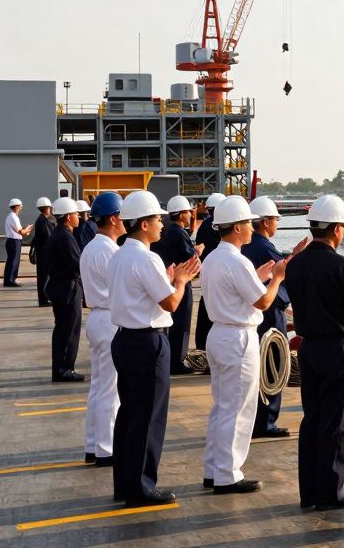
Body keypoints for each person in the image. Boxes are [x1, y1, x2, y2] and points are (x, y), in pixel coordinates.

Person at [109, 190, 200, 507]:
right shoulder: (146, 257)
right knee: (148, 417)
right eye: (158, 219)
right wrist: (181, 281)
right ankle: (142, 488)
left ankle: (125, 483)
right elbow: (171, 303)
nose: (162, 224)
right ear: (144, 224)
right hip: (147, 341)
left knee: (129, 414)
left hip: (124, 339)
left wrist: (168, 278)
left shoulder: (120, 254)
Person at [288, 194, 344, 511]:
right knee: (337, 423)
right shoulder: (342, 266)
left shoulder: (295, 264)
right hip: (338, 349)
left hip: (309, 348)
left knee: (313, 419)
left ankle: (309, 492)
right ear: (337, 229)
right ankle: (330, 492)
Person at [200, 196, 291, 494]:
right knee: (238, 408)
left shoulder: (214, 256)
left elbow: (237, 287)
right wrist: (276, 278)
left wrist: (259, 275)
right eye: (248, 224)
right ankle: (229, 474)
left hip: (219, 334)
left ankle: (214, 468)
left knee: (222, 406)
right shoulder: (236, 261)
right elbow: (264, 301)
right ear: (237, 227)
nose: (252, 229)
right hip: (237, 338)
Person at [242, 196, 309, 438]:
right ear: (266, 222)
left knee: (261, 369)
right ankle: (266, 422)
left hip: (257, 314)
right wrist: (298, 257)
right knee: (273, 365)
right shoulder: (262, 246)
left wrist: (294, 255)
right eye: (275, 219)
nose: (277, 224)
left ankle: (258, 421)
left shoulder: (248, 246)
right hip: (270, 314)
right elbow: (281, 272)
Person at [80, 192, 124, 465]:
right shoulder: (110, 251)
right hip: (109, 319)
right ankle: (106, 449)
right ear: (113, 218)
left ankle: (93, 444)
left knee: (98, 387)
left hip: (97, 317)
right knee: (110, 389)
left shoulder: (91, 247)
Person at [153, 196, 199, 374]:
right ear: (181, 214)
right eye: (188, 211)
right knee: (182, 323)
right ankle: (177, 361)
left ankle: (174, 358)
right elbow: (191, 260)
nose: (190, 214)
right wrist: (197, 253)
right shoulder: (179, 232)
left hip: (170, 279)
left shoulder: (171, 230)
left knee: (175, 323)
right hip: (181, 280)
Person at [45, 197, 85, 383]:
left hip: (60, 285)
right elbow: (77, 265)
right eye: (76, 214)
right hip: (67, 287)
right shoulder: (65, 237)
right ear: (68, 217)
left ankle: (61, 368)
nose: (78, 217)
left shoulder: (60, 233)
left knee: (63, 329)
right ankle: (64, 369)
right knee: (69, 329)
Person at [194, 192, 227, 350]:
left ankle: (202, 346)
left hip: (207, 270)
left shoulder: (205, 225)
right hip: (223, 272)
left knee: (205, 308)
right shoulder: (223, 226)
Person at [29, 197, 55, 307]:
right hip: (44, 253)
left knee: (43, 276)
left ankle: (44, 299)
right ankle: (44, 299)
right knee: (45, 277)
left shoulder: (40, 219)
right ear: (46, 208)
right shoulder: (43, 221)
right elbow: (49, 237)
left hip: (42, 252)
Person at [2, 199, 33, 287]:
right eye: (20, 206)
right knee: (14, 261)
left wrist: (25, 230)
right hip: (14, 242)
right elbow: (21, 232)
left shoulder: (11, 216)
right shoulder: (13, 217)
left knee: (11, 261)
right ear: (17, 207)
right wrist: (28, 229)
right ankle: (10, 280)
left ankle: (8, 280)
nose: (21, 208)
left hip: (12, 241)